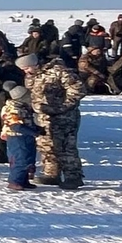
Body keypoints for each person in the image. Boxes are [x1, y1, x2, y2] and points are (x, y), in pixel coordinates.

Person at [20, 51, 86, 190]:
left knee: (66, 147)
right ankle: (51, 174)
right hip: (43, 117)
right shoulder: (32, 75)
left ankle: (73, 177)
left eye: (27, 68)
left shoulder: (59, 71)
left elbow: (78, 89)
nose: (26, 71)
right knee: (46, 145)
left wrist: (63, 107)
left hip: (64, 117)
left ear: (35, 63)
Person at [1, 85, 39, 190]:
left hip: (27, 136)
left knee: (29, 158)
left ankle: (24, 180)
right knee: (20, 159)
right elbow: (15, 126)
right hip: (17, 137)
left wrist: (37, 128)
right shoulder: (13, 109)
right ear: (21, 97)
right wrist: (33, 132)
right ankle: (14, 181)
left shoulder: (24, 107)